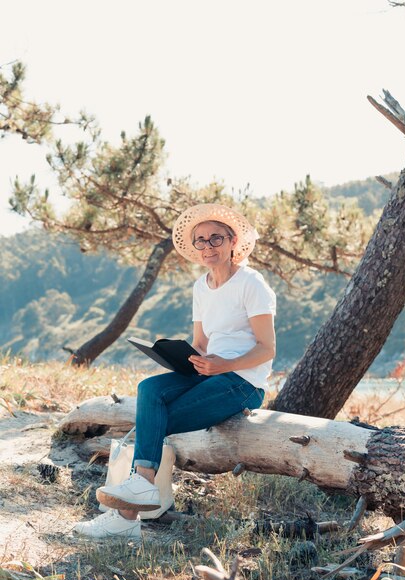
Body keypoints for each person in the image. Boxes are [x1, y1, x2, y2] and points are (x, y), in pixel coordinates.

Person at [74, 203, 276, 539]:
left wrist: (222, 365)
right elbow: (200, 342)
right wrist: (177, 356)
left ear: (232, 241)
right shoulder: (201, 286)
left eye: (215, 238)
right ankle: (138, 497)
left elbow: (267, 349)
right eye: (201, 240)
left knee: (156, 419)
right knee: (150, 389)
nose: (208, 246)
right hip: (206, 371)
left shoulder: (252, 284)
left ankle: (127, 514)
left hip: (242, 383)